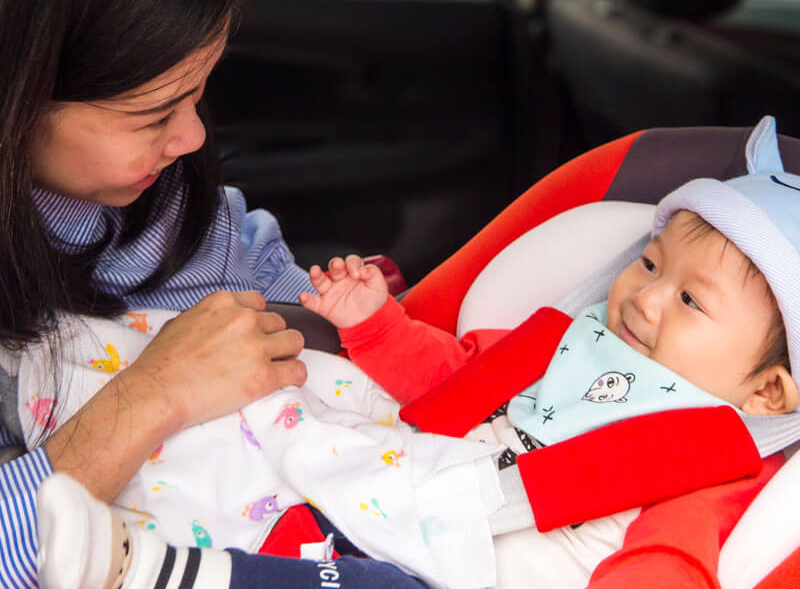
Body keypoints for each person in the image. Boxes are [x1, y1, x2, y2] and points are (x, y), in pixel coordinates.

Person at [33, 116, 800, 589]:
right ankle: (46, 376)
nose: (646, 295)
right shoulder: (563, 343)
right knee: (259, 383)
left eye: (691, 302)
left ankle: (144, 569)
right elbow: (451, 377)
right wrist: (377, 326)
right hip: (413, 477)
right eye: (651, 263)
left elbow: (669, 563)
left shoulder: (707, 459)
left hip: (475, 564)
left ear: (769, 391)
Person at [0, 0, 424, 589]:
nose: (194, 138)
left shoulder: (184, 221)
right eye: (154, 113)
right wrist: (152, 396)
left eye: (198, 96)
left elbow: (326, 356)